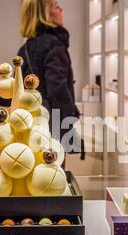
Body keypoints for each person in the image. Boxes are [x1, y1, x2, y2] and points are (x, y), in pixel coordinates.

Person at [18, 0, 82, 154]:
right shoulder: (54, 44)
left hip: (33, 123)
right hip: (54, 126)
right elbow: (58, 90)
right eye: (55, 5)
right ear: (44, 13)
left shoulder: (24, 49)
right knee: (54, 172)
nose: (61, 8)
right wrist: (70, 120)